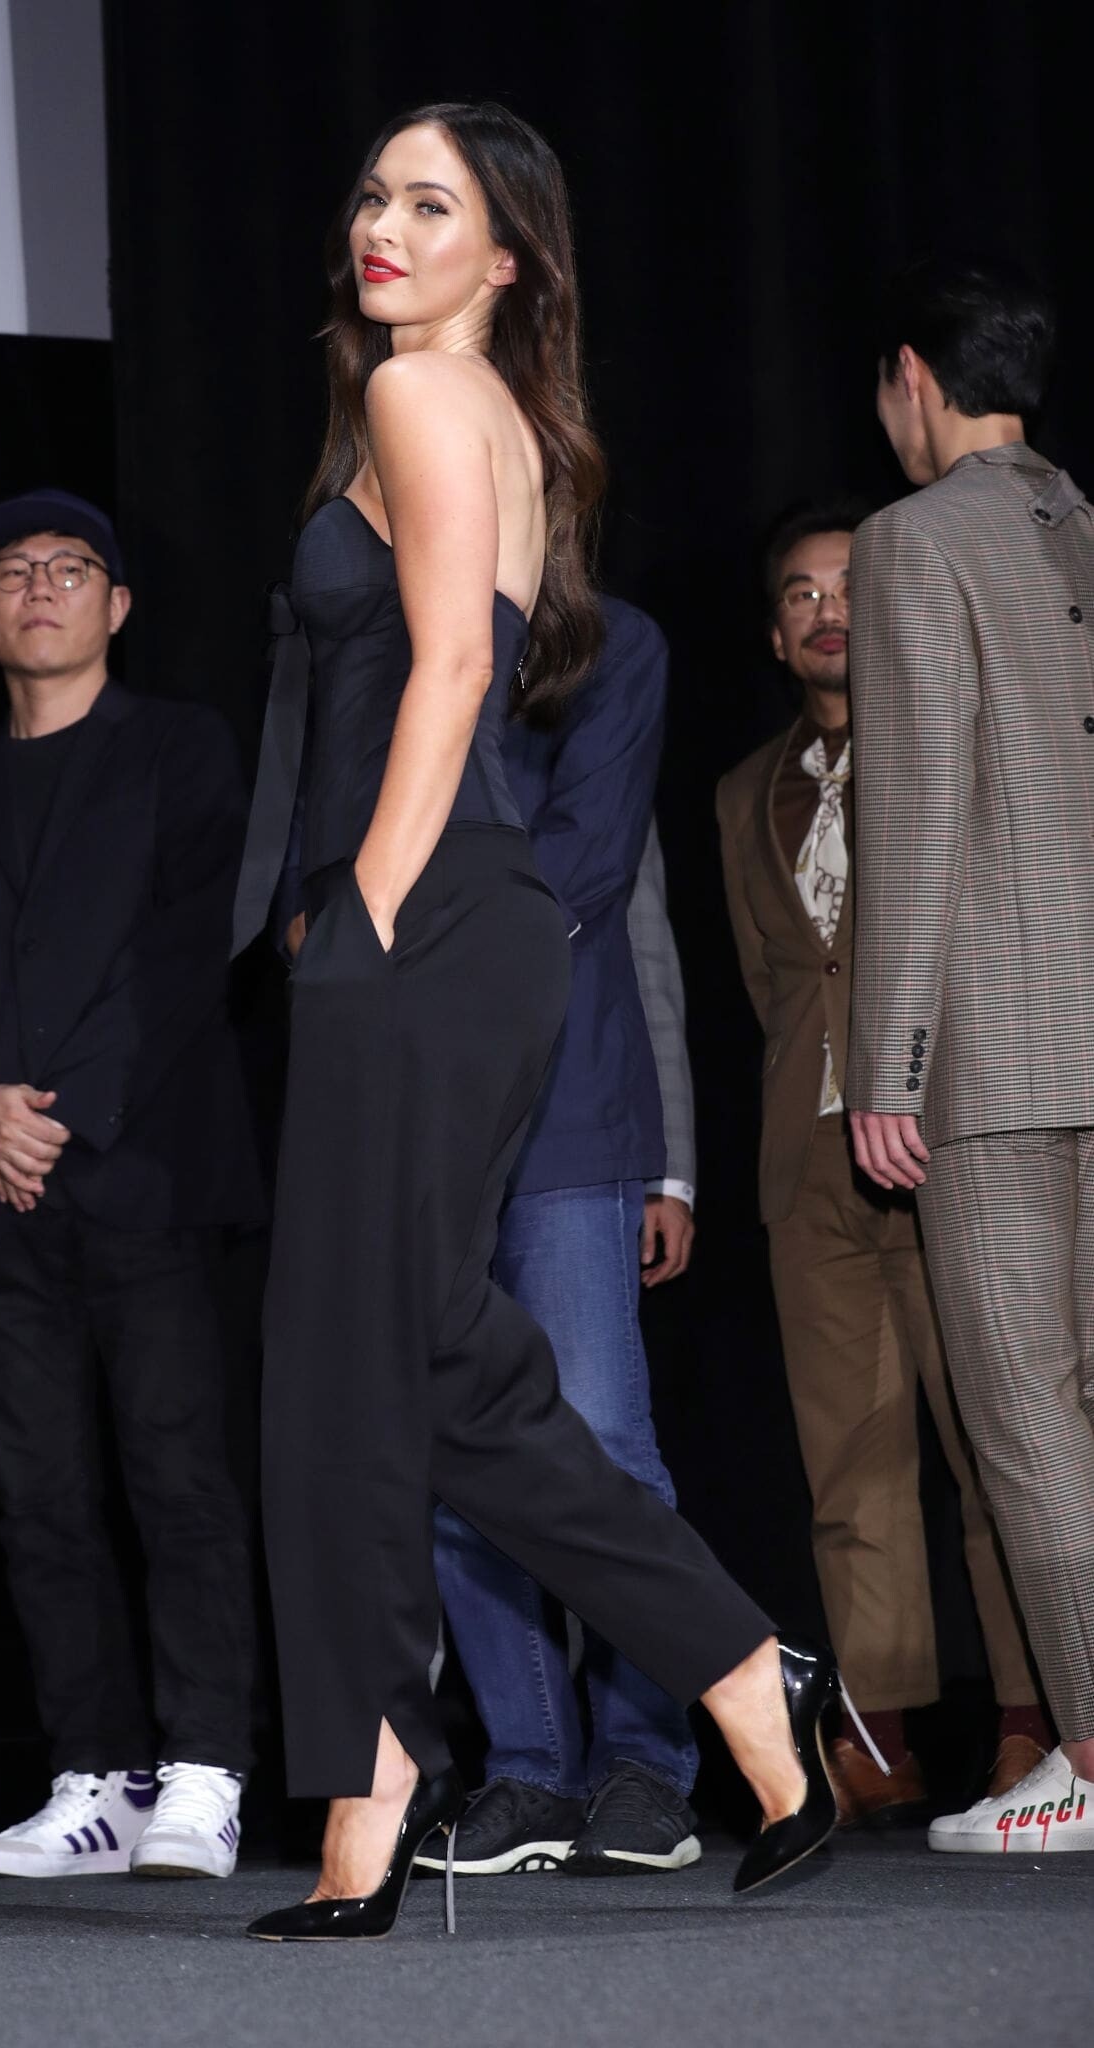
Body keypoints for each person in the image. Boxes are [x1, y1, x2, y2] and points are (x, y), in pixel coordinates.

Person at [235, 102, 843, 1944]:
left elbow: (449, 668)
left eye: (432, 204)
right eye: (372, 194)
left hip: (428, 913)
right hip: (473, 923)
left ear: (508, 256)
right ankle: (740, 1675)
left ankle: (374, 1799)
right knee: (437, 1366)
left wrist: (367, 905)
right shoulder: (483, 410)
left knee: (345, 1373)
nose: (383, 224)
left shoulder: (425, 392)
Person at [0, 490, 261, 1880]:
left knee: (178, 1474)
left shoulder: (181, 749)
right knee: (38, 1498)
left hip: (147, 1171)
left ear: (118, 604)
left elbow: (190, 944)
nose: (40, 586)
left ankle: (206, 1767)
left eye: (71, 566)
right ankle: (96, 1777)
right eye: (13, 571)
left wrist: (65, 1111)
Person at [717, 503, 1043, 1828]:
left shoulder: (955, 746)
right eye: (800, 594)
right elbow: (774, 984)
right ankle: (880, 1737)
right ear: (776, 634)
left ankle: (1033, 1725)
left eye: (847, 585)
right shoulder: (745, 790)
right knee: (848, 1462)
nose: (826, 609)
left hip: (952, 1144)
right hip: (811, 1166)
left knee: (997, 1444)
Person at [847, 257, 1094, 1853]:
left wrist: (890, 1063)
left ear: (914, 377)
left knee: (1025, 1416)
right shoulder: (1085, 528)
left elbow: (917, 804)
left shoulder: (912, 539)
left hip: (997, 1055)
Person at [423, 601, 703, 1881]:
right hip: (420, 1109)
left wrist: (671, 1159)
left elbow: (600, 885)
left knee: (599, 1436)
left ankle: (647, 1762)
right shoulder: (392, 632)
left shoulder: (608, 644)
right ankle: (529, 1765)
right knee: (455, 1445)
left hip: (563, 1099)